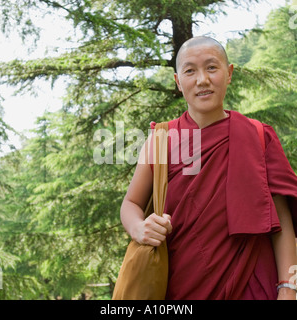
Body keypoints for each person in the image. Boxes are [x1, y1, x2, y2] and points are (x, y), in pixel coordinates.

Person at [120, 36, 297, 300]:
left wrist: (288, 287)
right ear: (179, 82)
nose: (202, 80)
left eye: (212, 68)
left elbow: (281, 222)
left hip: (251, 284)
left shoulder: (258, 136)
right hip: (180, 286)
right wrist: (138, 228)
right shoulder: (162, 139)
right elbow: (131, 203)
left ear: (229, 73)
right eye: (190, 71)